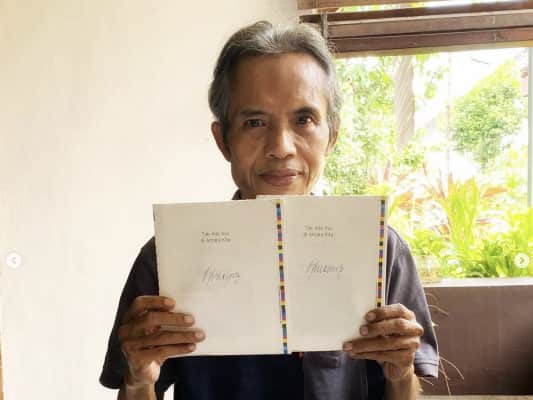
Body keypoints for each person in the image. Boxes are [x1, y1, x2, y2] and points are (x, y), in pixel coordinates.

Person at [100, 21, 439, 400]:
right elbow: (138, 385)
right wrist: (138, 379)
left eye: (304, 119)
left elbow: (405, 386)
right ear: (223, 140)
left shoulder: (379, 250)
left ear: (332, 135)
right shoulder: (166, 258)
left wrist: (401, 373)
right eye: (255, 122)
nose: (280, 147)